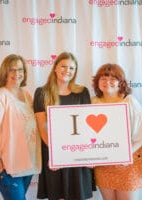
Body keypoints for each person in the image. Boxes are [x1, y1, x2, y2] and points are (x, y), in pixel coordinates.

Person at [33, 52, 96, 200]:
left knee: (77, 195)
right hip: (53, 153)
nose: (67, 70)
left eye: (72, 68)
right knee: (58, 195)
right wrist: (58, 155)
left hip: (78, 153)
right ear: (55, 67)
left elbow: (87, 128)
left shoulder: (82, 92)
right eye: (64, 66)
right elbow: (42, 128)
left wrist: (89, 155)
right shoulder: (42, 93)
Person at [0, 54, 41, 200]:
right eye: (12, 70)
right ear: (5, 72)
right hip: (7, 167)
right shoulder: (0, 96)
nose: (17, 74)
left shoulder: (27, 95)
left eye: (20, 69)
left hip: (26, 164)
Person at [91, 63, 142, 200]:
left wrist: (126, 154)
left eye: (113, 78)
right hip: (104, 165)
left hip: (128, 163)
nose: (108, 82)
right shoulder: (93, 103)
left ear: (121, 83)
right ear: (97, 82)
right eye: (103, 78)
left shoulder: (129, 101)